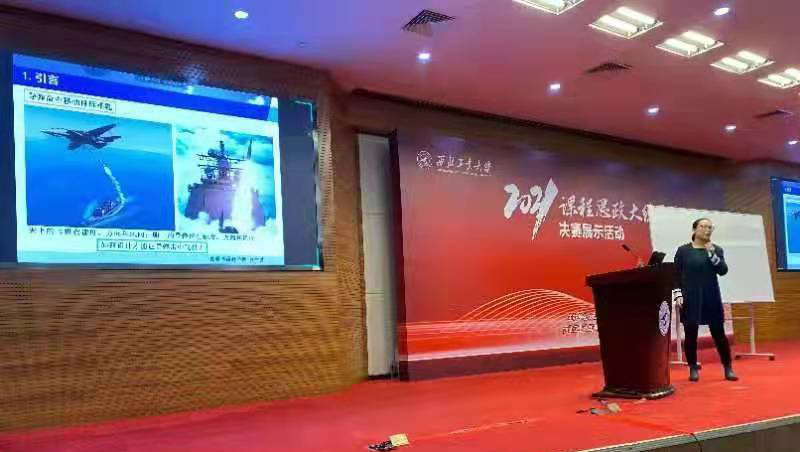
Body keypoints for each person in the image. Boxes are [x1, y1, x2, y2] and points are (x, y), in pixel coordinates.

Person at [673, 218, 738, 382]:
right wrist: (678, 294)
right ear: (694, 229)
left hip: (711, 295)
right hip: (690, 296)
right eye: (703, 226)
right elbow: (675, 275)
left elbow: (722, 270)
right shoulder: (683, 251)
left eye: (710, 227)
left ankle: (728, 367)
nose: (707, 230)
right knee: (690, 334)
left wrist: (712, 253)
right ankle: (693, 367)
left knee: (719, 334)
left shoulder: (716, 249)